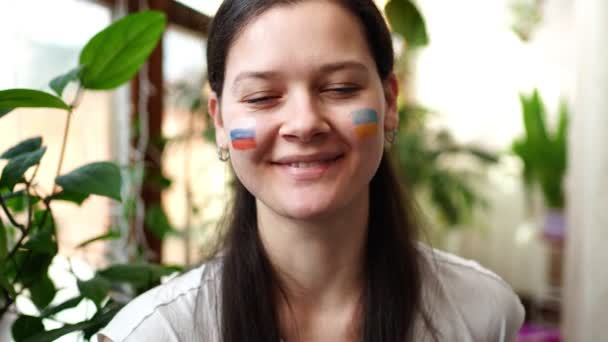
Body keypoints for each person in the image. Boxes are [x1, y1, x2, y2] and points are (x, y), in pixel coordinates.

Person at [98, 0, 525, 341]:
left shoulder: (484, 313)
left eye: (340, 88)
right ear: (221, 123)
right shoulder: (156, 333)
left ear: (389, 103)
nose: (304, 124)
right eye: (263, 97)